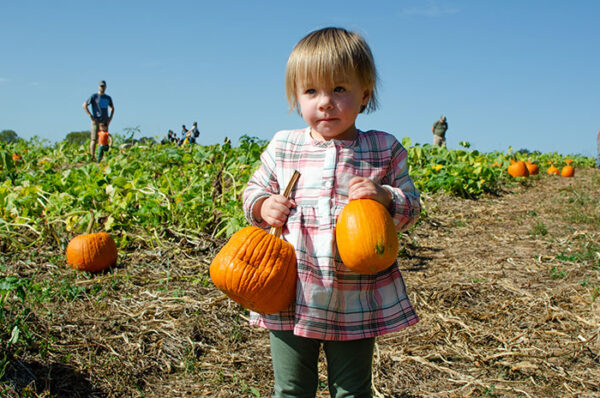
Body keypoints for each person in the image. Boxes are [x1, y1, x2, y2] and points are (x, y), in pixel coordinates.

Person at [242, 27, 421, 397]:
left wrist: (384, 197)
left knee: (352, 389)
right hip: (289, 290)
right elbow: (252, 191)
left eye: (339, 89)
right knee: (291, 388)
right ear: (296, 95)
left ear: (365, 94)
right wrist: (263, 205)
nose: (325, 102)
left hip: (355, 293)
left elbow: (411, 207)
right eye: (311, 91)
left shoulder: (382, 148)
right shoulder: (284, 145)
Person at [83, 80, 114, 160]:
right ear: (98, 86)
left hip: (104, 121)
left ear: (105, 87)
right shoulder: (94, 96)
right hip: (96, 121)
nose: (102, 88)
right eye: (101, 86)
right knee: (94, 139)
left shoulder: (108, 98)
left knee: (104, 140)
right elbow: (84, 105)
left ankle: (101, 158)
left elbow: (112, 108)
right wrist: (90, 115)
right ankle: (92, 156)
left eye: (103, 86)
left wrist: (110, 118)